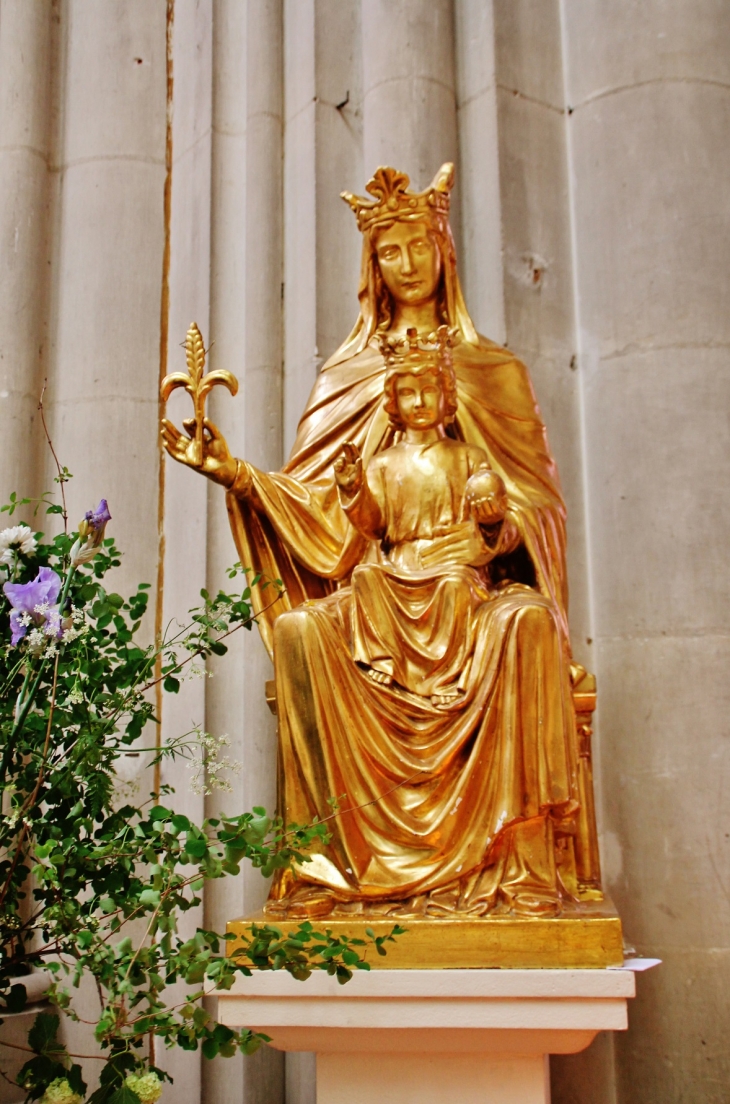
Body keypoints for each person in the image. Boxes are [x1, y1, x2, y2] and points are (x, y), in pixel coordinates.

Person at [162, 163, 596, 918]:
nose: (407, 264)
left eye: (419, 245)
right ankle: (327, 864)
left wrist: (496, 523)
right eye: (389, 252)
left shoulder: (492, 371)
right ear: (372, 268)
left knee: (526, 622)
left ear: (444, 250)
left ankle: (519, 864)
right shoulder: (349, 376)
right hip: (383, 603)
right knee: (299, 629)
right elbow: (329, 511)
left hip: (468, 602)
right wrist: (235, 473)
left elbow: (541, 509)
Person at [335, 325, 509, 709]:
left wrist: (489, 515)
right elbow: (374, 524)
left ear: (446, 393)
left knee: (454, 587)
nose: (419, 401)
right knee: (366, 576)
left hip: (448, 565)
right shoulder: (382, 463)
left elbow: (488, 515)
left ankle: (445, 677)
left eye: (429, 390)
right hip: (401, 565)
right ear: (393, 400)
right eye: (407, 393)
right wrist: (353, 490)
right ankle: (384, 659)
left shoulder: (468, 457)